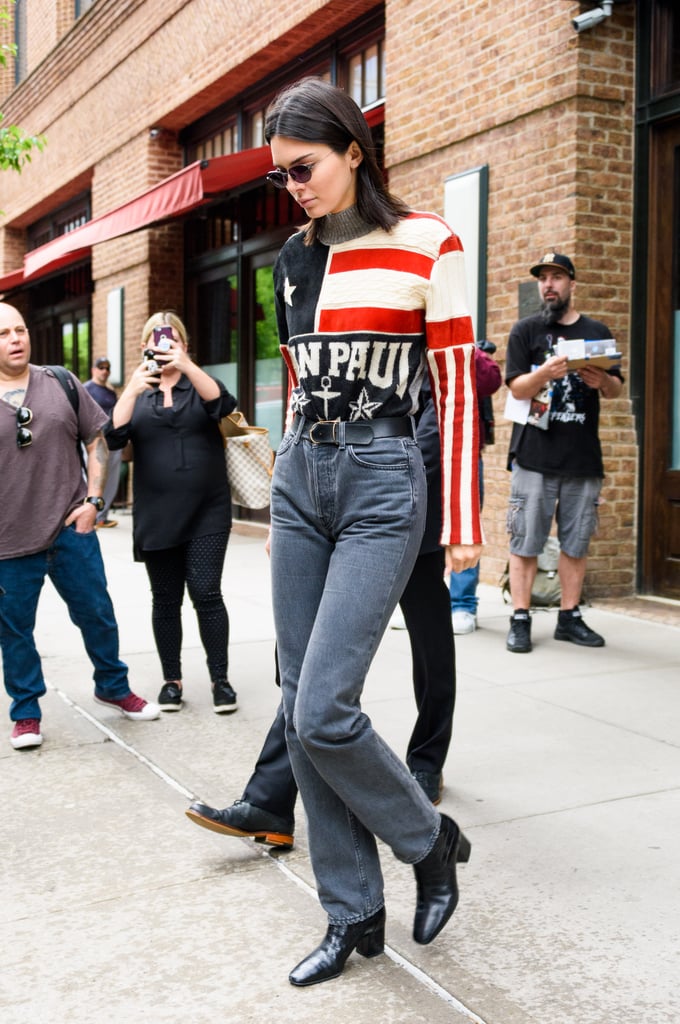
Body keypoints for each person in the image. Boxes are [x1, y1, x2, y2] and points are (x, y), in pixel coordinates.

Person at [240, 78, 482, 988]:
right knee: (300, 702)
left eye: (304, 168)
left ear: (353, 151)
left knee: (322, 708)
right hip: (305, 483)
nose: (294, 188)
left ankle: (427, 841)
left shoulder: (428, 243)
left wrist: (463, 519)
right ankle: (353, 912)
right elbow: (299, 388)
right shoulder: (291, 262)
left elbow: (456, 385)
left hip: (386, 480)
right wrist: (278, 505)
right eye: (282, 177)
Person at [186, 380, 459, 848]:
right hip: (334, 515)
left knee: (430, 646)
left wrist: (450, 517)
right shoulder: (331, 338)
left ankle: (427, 761)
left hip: (404, 507)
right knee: (304, 670)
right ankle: (271, 797)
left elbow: (447, 420)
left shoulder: (414, 329)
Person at [0, 302, 160, 751]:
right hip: (9, 542)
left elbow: (97, 440)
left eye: (20, 329)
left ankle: (112, 685)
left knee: (97, 614)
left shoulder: (61, 382)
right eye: (4, 334)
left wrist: (94, 501)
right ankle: (26, 713)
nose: (16, 338)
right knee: (15, 633)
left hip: (71, 529)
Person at [104, 312, 238, 713]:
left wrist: (186, 366)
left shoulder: (199, 384)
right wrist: (129, 388)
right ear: (145, 345)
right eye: (157, 339)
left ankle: (220, 679)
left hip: (208, 510)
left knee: (206, 591)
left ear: (184, 343)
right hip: (156, 513)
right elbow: (114, 438)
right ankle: (172, 680)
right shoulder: (138, 393)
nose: (164, 345)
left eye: (172, 338)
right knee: (165, 600)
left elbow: (224, 407)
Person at [504, 252, 623, 654]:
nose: (548, 285)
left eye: (557, 277)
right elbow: (517, 389)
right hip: (534, 456)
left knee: (577, 542)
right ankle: (520, 618)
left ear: (572, 284)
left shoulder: (596, 330)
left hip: (582, 457)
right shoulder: (526, 331)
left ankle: (568, 617)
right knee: (525, 540)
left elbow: (616, 389)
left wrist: (601, 380)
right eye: (543, 278)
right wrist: (544, 373)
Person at [449, 341, 502, 634]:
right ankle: (417, 603)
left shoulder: (463, 345)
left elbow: (490, 380)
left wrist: (469, 347)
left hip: (464, 450)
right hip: (417, 447)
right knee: (417, 531)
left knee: (465, 529)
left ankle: (462, 605)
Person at [84, 356, 122, 528]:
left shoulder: (111, 392)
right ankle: (88, 513)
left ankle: (101, 516)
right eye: (101, 367)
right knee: (91, 478)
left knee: (111, 480)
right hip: (93, 442)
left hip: (112, 441)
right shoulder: (86, 389)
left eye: (107, 368)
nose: (104, 371)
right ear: (93, 369)